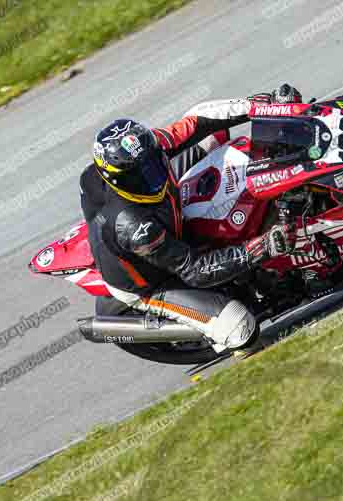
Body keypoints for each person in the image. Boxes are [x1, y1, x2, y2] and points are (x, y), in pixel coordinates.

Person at [80, 85, 303, 353]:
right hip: (154, 280)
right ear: (118, 181)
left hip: (165, 218)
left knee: (213, 134)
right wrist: (261, 247)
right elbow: (195, 269)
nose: (155, 174)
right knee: (241, 329)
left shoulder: (146, 154)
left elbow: (197, 120)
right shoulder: (134, 226)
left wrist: (263, 105)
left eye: (154, 161)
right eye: (141, 174)